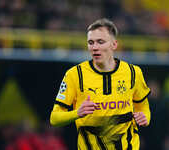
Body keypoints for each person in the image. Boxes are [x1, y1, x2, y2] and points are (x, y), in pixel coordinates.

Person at [50, 18, 151, 150]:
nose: (95, 47)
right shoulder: (75, 75)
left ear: (114, 45)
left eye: (100, 42)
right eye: (91, 43)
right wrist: (77, 113)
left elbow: (143, 106)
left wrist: (145, 118)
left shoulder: (133, 73)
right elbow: (54, 118)